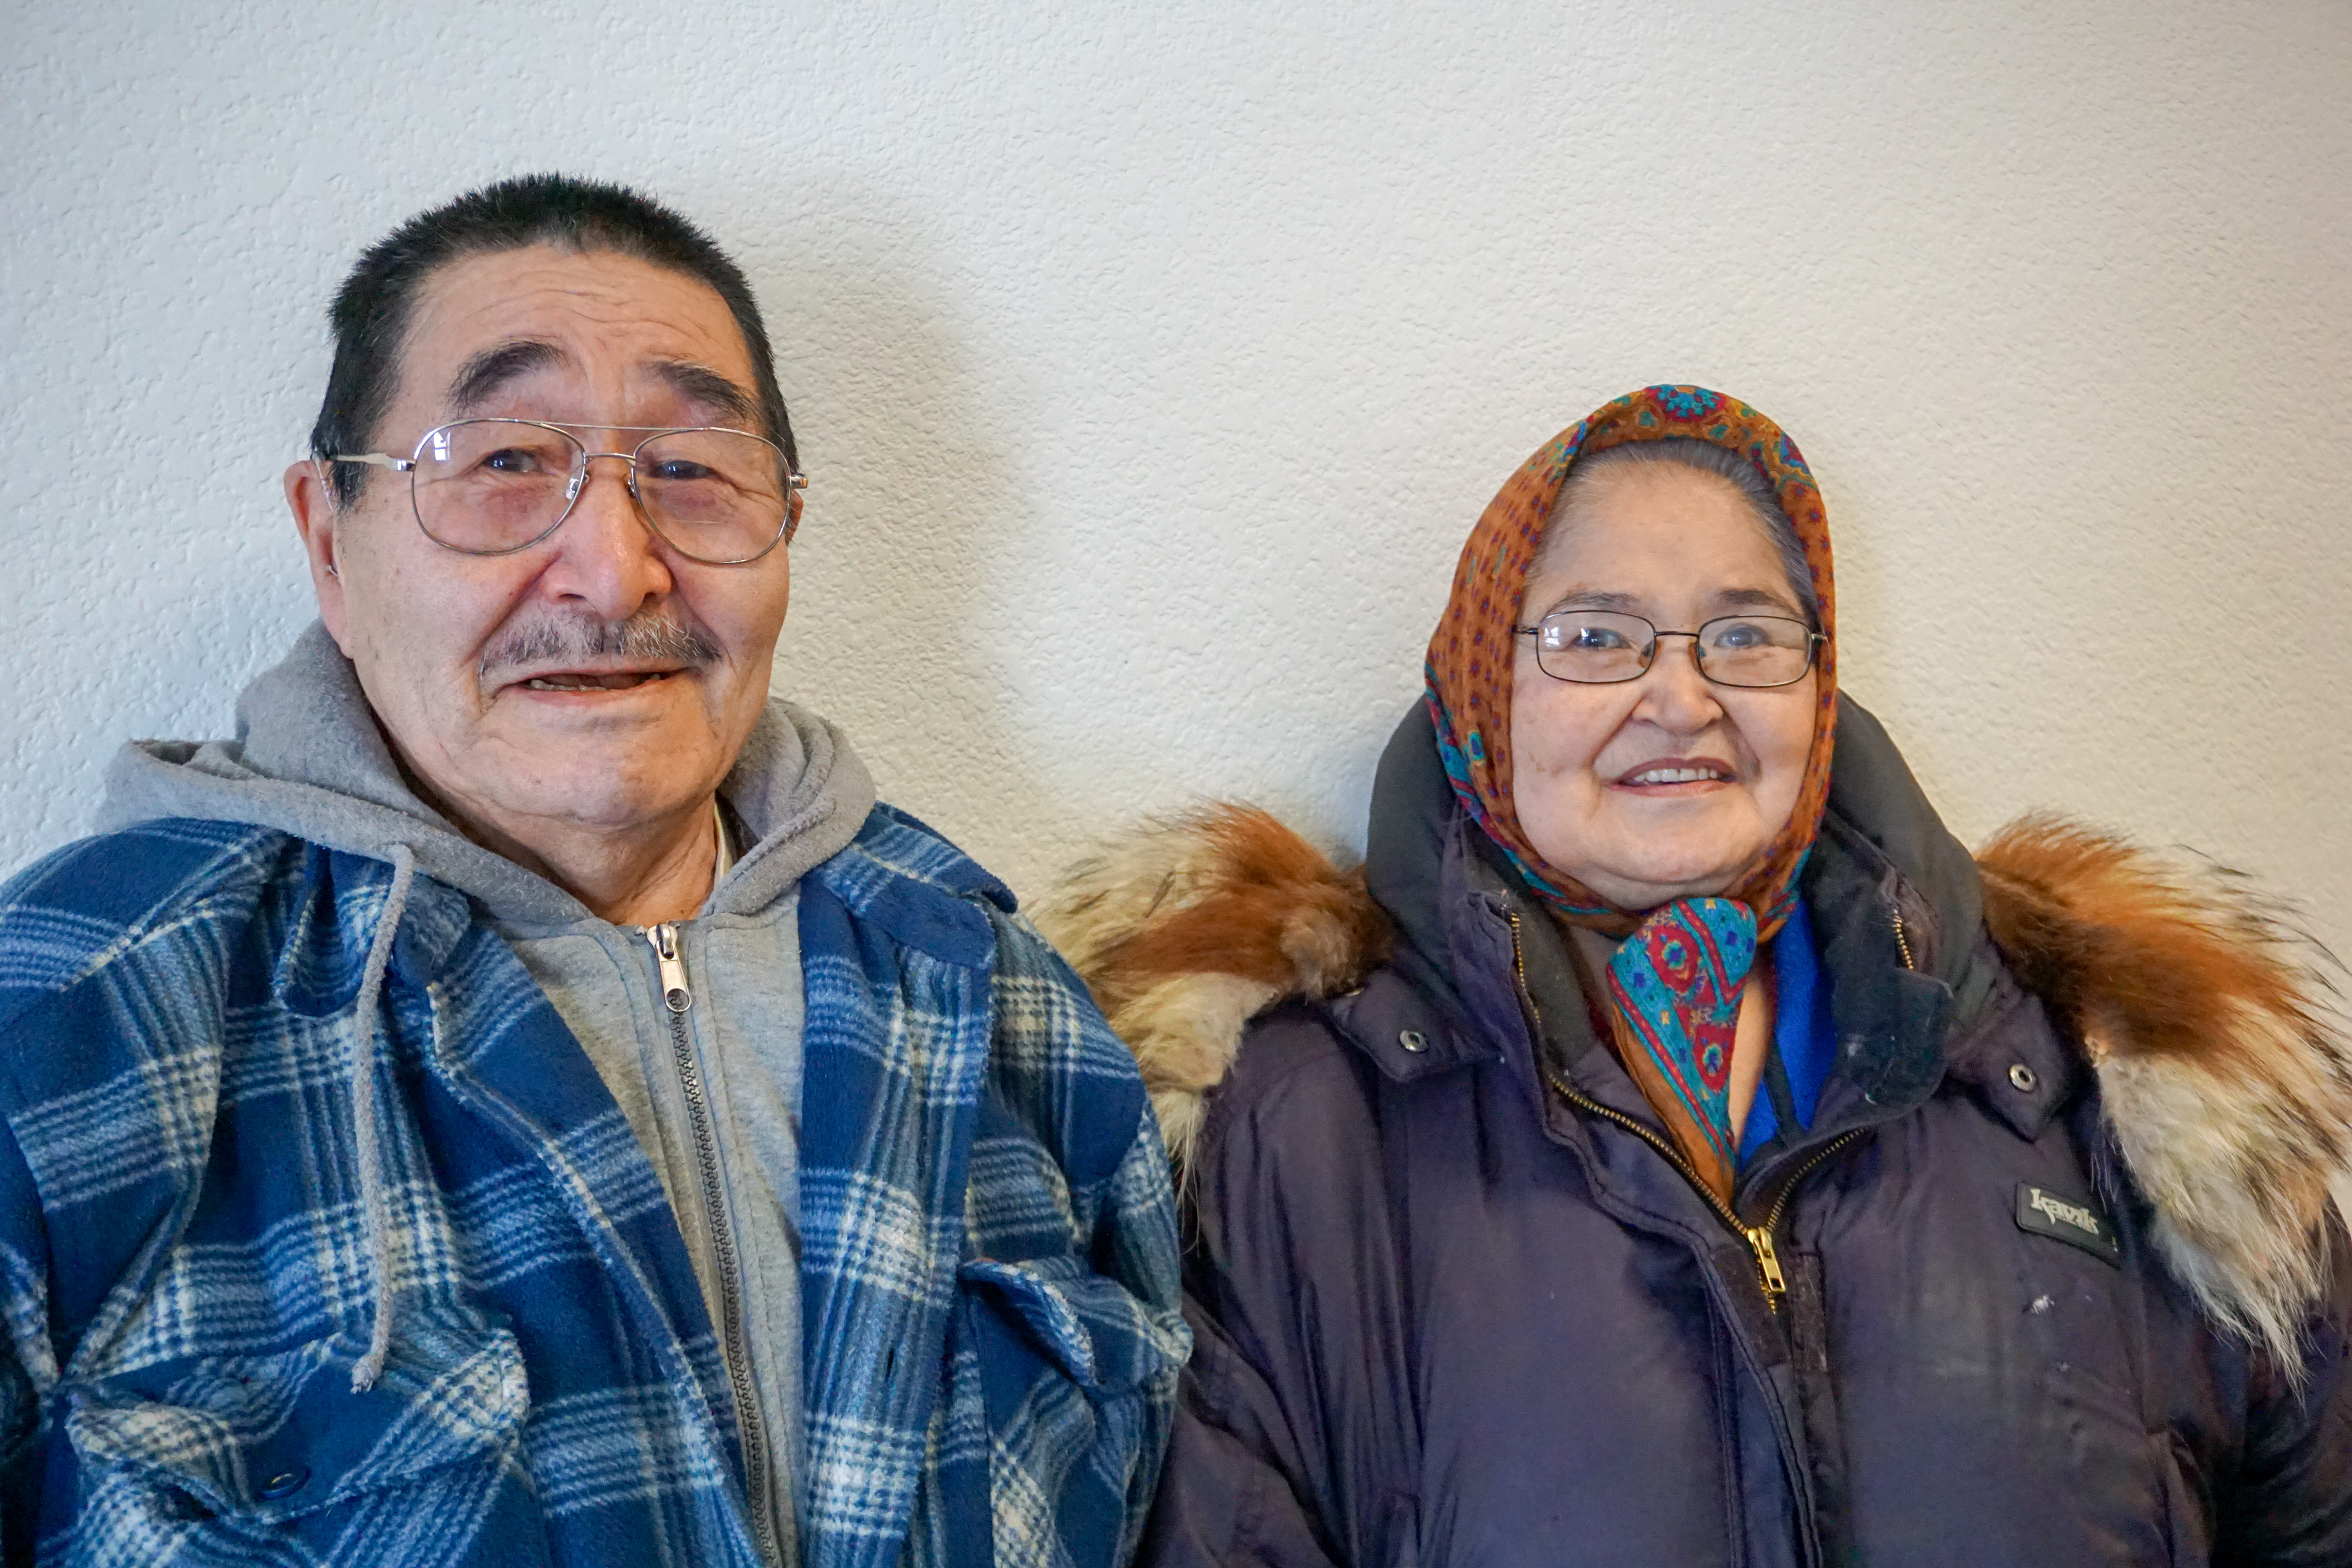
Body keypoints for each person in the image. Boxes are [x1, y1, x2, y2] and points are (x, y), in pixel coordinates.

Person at [0, 175, 1183, 1568]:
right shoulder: (77, 1016)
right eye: (505, 463)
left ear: (784, 526)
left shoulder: (988, 985)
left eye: (690, 468)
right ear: (330, 538)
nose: (615, 571)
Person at [1039, 385, 2352, 1566]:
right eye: (1599, 639)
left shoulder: (2129, 1074)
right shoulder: (1286, 1127)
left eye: (1747, 634)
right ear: (1483, 686)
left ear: (1818, 686)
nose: (1683, 697)